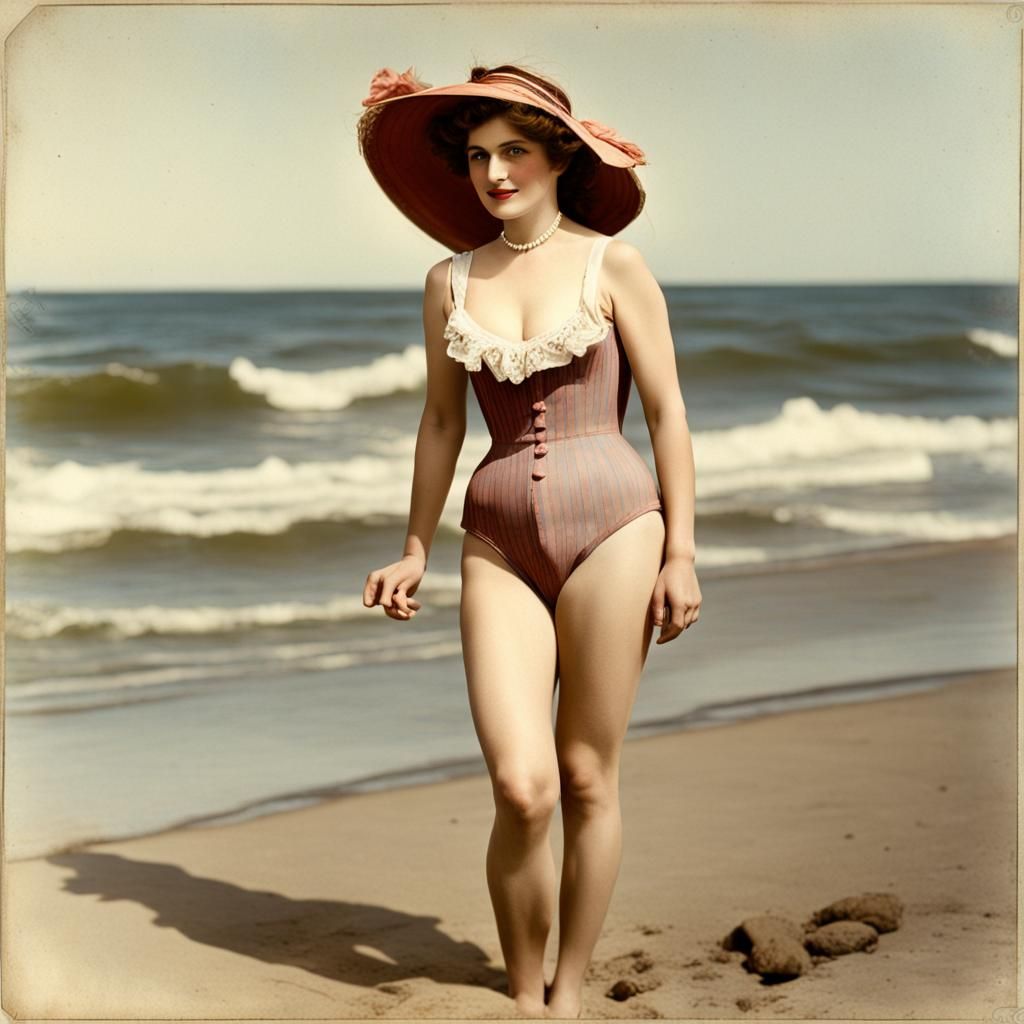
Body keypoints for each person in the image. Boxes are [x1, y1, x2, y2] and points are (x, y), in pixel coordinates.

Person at [358, 63, 700, 1019]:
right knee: (521, 786)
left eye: (513, 151)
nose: (494, 173)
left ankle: (569, 993)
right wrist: (416, 547)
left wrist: (680, 552)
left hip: (618, 528)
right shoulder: (448, 281)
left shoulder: (613, 266)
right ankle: (520, 995)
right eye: (477, 156)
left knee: (586, 776)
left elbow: (668, 413)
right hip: (497, 536)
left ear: (559, 158)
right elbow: (441, 422)